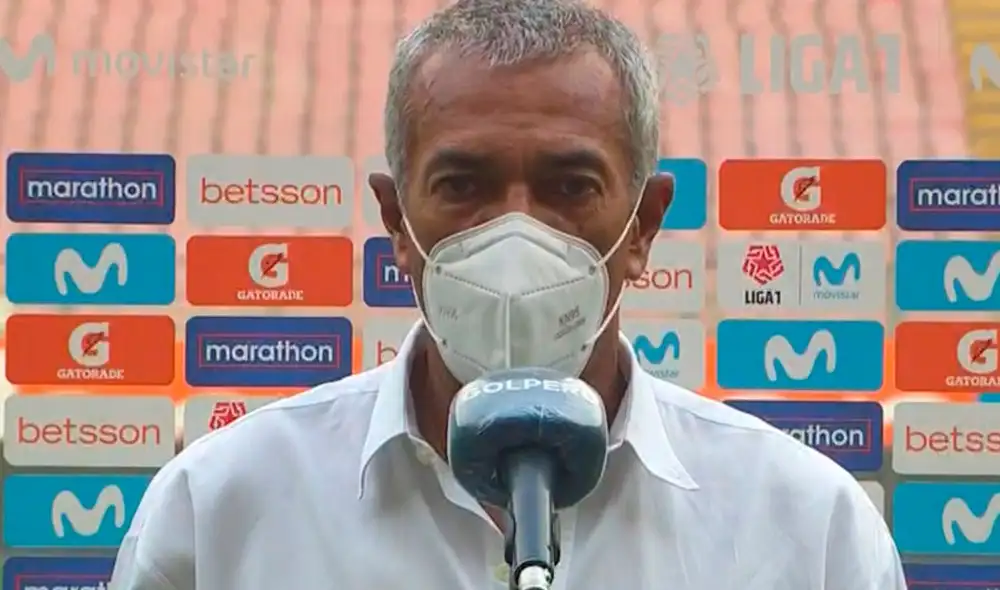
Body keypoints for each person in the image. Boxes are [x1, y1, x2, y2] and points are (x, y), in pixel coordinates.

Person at [109, 0, 906, 588]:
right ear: (396, 221)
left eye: (570, 185)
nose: (516, 232)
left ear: (643, 225)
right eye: (463, 184)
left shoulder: (811, 532)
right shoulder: (217, 511)